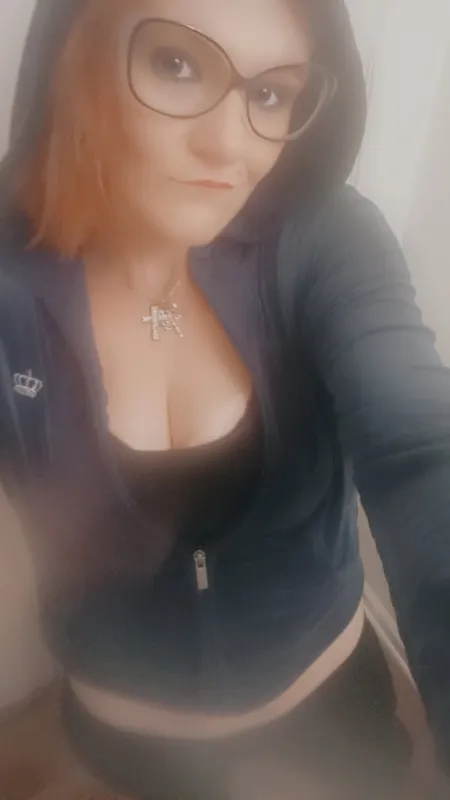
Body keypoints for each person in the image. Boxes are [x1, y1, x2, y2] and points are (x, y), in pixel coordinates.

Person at [1, 0, 450, 798]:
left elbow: (420, 449)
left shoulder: (324, 238)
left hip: (332, 710)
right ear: (75, 53)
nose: (230, 144)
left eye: (271, 93)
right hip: (130, 743)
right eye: (176, 65)